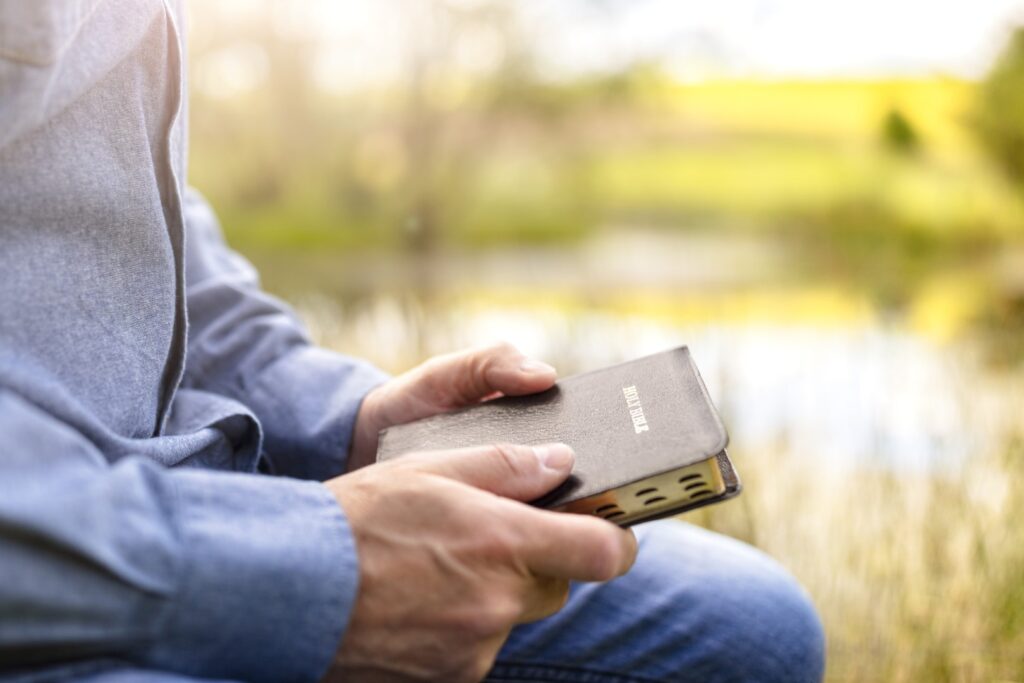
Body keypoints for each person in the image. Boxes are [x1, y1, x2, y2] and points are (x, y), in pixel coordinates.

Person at [0, 2, 825, 682]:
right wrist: (322, 570)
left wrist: (356, 421)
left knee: (756, 628)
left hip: (190, 493)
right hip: (57, 569)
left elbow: (160, 248)